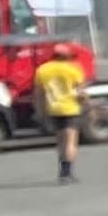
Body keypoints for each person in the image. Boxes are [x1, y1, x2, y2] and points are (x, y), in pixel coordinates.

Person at [32, 41, 87, 182]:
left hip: (53, 110)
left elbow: (39, 94)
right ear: (66, 56)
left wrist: (40, 111)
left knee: (61, 142)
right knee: (70, 143)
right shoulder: (73, 69)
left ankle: (62, 171)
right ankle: (66, 173)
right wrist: (87, 105)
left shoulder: (42, 70)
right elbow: (81, 93)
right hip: (70, 109)